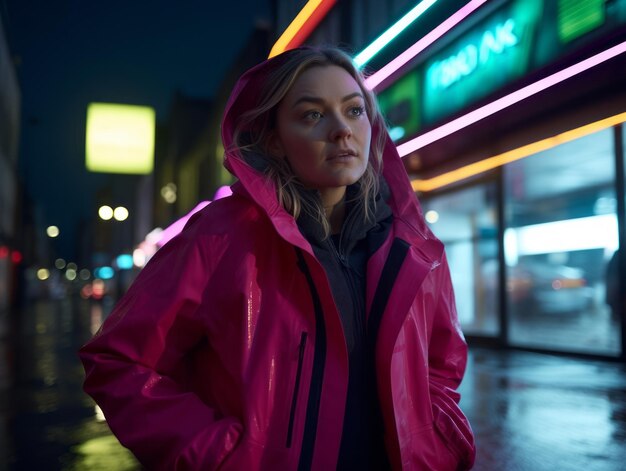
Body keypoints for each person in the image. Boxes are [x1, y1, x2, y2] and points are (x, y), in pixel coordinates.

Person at [79, 45, 476, 470]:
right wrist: (222, 455)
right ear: (274, 139)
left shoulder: (413, 247)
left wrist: (435, 436)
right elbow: (120, 362)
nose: (342, 130)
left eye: (354, 110)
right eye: (312, 115)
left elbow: (442, 362)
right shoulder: (223, 236)